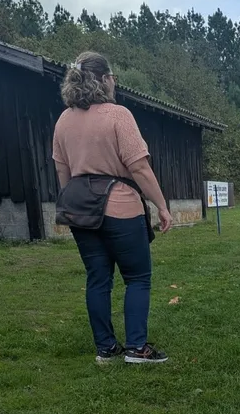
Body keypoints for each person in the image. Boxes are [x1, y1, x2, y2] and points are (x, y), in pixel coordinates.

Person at [52, 51, 173, 364]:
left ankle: (106, 349)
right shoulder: (118, 115)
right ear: (104, 79)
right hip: (120, 206)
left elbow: (63, 173)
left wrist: (76, 205)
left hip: (81, 209)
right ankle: (137, 348)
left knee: (98, 278)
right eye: (112, 77)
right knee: (137, 277)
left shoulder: (63, 120)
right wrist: (162, 206)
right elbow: (140, 168)